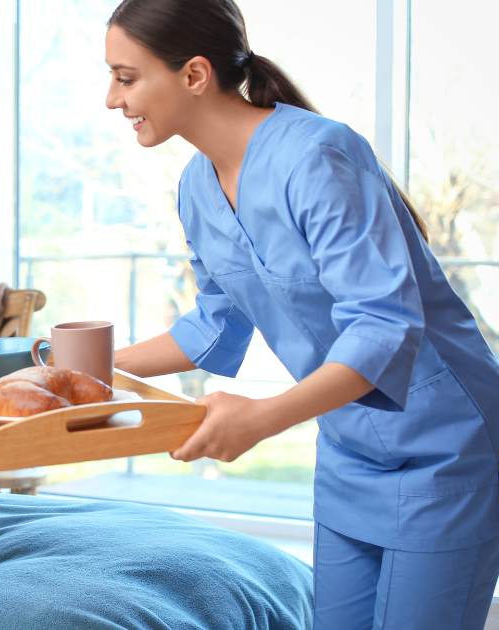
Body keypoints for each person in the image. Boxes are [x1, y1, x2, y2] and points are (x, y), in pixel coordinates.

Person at [103, 0, 499, 627]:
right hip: (348, 450)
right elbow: (213, 324)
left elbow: (385, 326)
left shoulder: (317, 155)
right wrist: (75, 366)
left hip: (445, 444)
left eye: (126, 78)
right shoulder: (196, 188)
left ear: (195, 74)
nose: (111, 99)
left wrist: (262, 418)